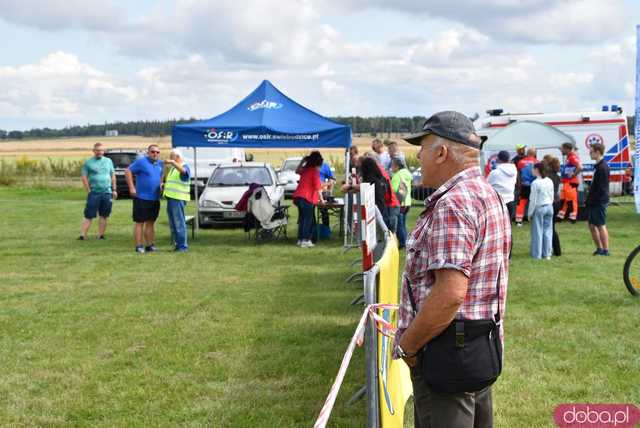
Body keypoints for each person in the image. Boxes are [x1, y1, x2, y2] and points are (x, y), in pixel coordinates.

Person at [394, 111, 510, 428]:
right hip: (479, 349)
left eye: (423, 147)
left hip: (446, 356)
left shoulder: (453, 203)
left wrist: (408, 346)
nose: (418, 156)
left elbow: (449, 295)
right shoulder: (489, 194)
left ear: (442, 153)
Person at [125, 144, 164, 253]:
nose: (155, 154)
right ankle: (139, 246)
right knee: (139, 222)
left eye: (157, 152)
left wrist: (161, 184)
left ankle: (150, 245)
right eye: (152, 152)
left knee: (151, 223)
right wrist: (132, 187)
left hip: (155, 198)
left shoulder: (160, 163)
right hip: (141, 197)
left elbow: (161, 176)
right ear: (148, 153)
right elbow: (128, 171)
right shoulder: (141, 162)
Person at [78, 142, 117, 240]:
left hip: (107, 192)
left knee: (104, 215)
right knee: (89, 214)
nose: (99, 152)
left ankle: (100, 235)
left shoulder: (108, 161)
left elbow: (112, 176)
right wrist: (88, 190)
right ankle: (83, 235)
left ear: (103, 151)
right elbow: (84, 177)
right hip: (94, 192)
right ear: (94, 151)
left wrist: (114, 189)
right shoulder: (88, 162)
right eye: (97, 150)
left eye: (101, 150)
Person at [292, 151, 325, 248]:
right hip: (306, 198)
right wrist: (322, 200)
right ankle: (305, 240)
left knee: (302, 219)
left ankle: (300, 239)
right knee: (308, 220)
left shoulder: (306, 169)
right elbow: (318, 187)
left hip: (298, 197)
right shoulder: (314, 171)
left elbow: (296, 171)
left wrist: (302, 161)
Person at [163, 149, 191, 252]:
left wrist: (173, 163)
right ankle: (178, 245)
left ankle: (182, 246)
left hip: (178, 198)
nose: (170, 159)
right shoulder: (173, 169)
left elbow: (184, 172)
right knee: (173, 223)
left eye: (172, 157)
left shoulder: (184, 166)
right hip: (171, 198)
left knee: (179, 222)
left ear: (177, 157)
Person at [586, 143, 610, 256]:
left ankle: (605, 250)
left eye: (591, 151)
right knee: (591, 225)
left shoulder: (603, 167)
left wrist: (594, 199)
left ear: (597, 152)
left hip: (599, 201)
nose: (590, 153)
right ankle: (599, 248)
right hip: (593, 200)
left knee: (600, 224)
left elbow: (602, 188)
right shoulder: (597, 166)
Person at [528, 162, 554, 260]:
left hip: (539, 207)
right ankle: (547, 253)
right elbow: (552, 194)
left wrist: (530, 213)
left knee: (537, 232)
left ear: (537, 170)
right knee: (548, 231)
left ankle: (537, 255)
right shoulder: (549, 180)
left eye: (533, 169)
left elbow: (533, 200)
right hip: (549, 206)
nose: (532, 171)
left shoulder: (535, 183)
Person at [487, 150, 517, 219]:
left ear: (498, 159)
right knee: (507, 228)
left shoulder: (495, 173)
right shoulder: (514, 170)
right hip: (510, 201)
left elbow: (487, 185)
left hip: (498, 202)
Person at [390, 157, 412, 248]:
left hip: (400, 202)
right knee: (403, 224)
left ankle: (403, 243)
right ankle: (406, 241)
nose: (391, 167)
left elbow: (394, 190)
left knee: (400, 225)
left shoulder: (397, 175)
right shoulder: (407, 173)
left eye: (392, 165)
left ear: (397, 166)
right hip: (407, 202)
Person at [557, 142, 582, 223]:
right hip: (566, 182)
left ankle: (573, 218)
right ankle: (560, 217)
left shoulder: (572, 157)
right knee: (564, 200)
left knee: (571, 200)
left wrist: (573, 175)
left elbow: (580, 167)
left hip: (571, 182)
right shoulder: (568, 157)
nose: (561, 150)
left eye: (562, 149)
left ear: (567, 149)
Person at [543, 155, 562, 256]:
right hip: (557, 202)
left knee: (550, 227)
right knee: (551, 226)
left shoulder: (548, 176)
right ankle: (555, 250)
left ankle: (553, 250)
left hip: (551, 202)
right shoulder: (557, 176)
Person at [514, 147, 537, 226]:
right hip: (534, 185)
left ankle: (518, 220)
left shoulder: (521, 162)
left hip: (524, 185)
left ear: (527, 153)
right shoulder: (536, 162)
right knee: (534, 202)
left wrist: (519, 184)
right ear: (534, 154)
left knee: (522, 202)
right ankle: (533, 219)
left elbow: (518, 174)